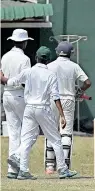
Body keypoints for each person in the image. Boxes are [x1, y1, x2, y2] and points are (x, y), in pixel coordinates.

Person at [1, 46, 78, 180]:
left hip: (29, 108)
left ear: (36, 58)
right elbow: (55, 96)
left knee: (26, 139)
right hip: (43, 108)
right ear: (48, 60)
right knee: (55, 139)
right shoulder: (50, 75)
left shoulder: (28, 72)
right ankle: (62, 169)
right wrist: (62, 115)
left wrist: (2, 77)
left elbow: (11, 82)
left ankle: (23, 169)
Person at [44, 41, 91, 174]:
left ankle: (50, 166)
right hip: (68, 99)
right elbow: (87, 82)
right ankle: (63, 165)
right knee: (66, 132)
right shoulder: (74, 66)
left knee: (51, 130)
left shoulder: (49, 66)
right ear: (71, 53)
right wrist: (79, 91)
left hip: (52, 99)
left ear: (57, 52)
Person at [0, 29, 33, 179]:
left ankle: (12, 170)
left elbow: (2, 77)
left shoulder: (5, 57)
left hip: (6, 94)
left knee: (14, 134)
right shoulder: (25, 59)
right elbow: (26, 80)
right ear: (24, 43)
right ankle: (21, 165)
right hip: (19, 95)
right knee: (29, 131)